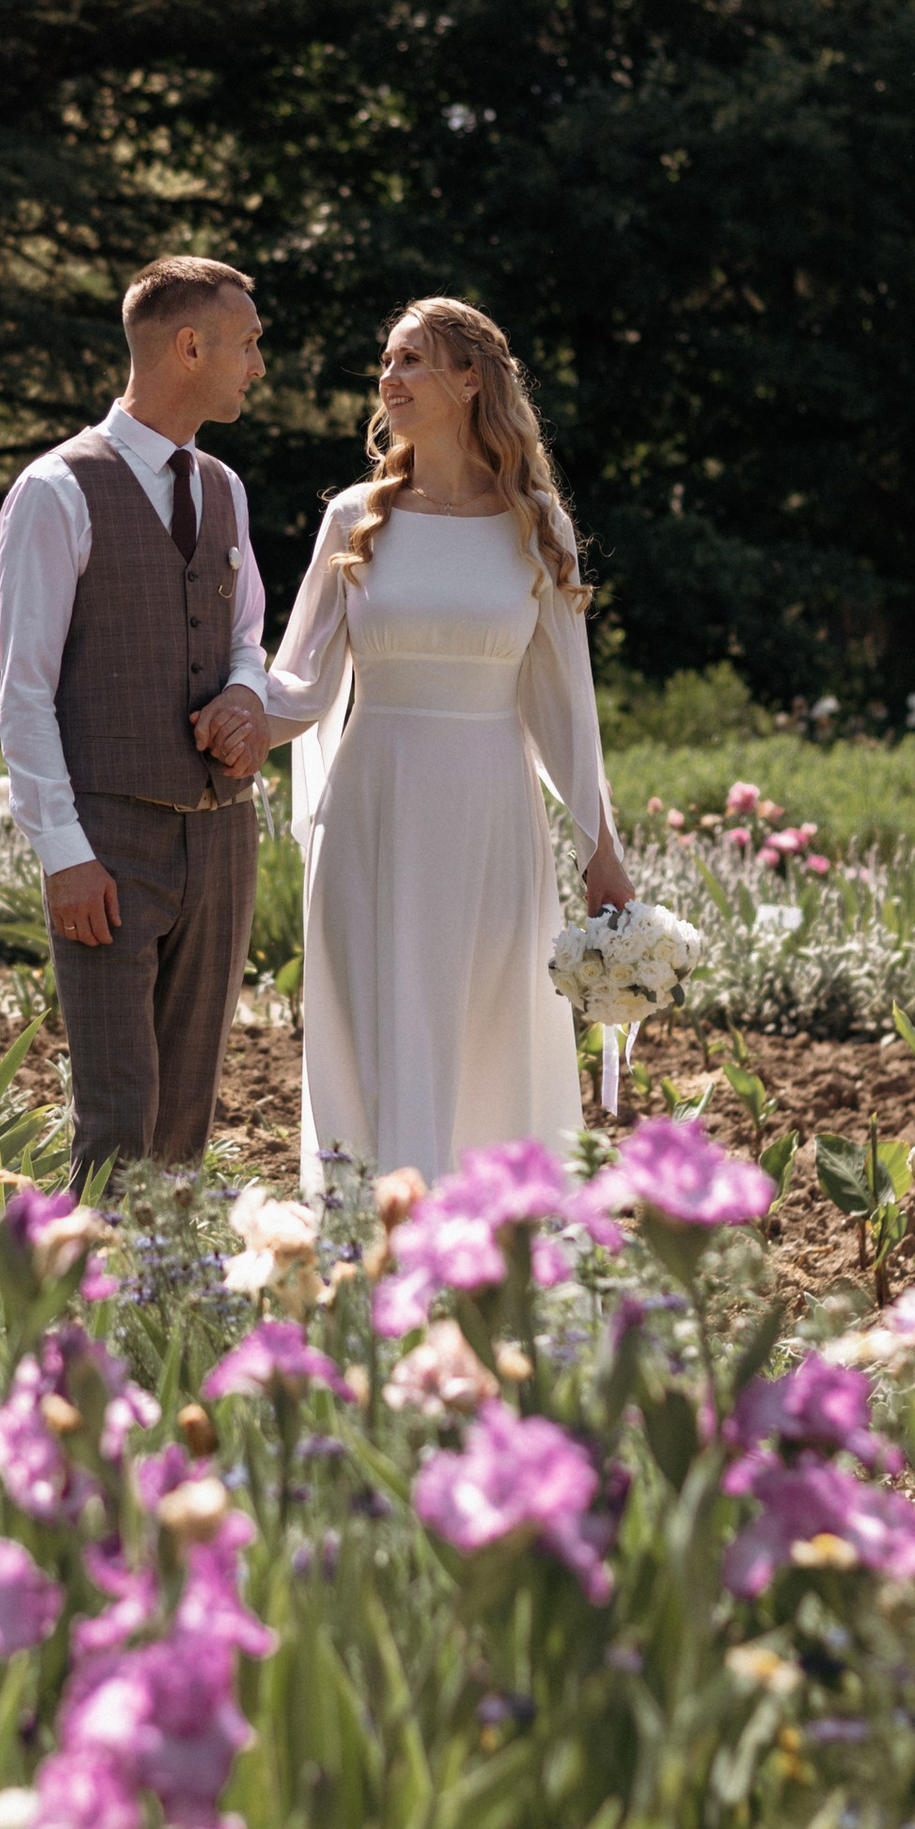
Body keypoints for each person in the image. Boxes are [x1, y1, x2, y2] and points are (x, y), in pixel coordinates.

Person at [265, 296, 633, 1193]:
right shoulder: (354, 517)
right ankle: (371, 1257)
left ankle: (490, 1260)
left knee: (490, 1029)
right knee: (376, 1028)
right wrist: (224, 707)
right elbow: (300, 681)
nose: (389, 380)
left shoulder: (534, 525)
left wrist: (602, 849)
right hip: (374, 806)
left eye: (412, 361)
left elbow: (562, 706)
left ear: (471, 380)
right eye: (386, 364)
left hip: (488, 812)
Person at [0, 256, 272, 1185]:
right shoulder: (56, 491)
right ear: (188, 347)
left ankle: (169, 1324)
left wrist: (245, 695)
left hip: (224, 840)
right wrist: (63, 855)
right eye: (247, 343)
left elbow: (247, 640)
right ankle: (80, 1325)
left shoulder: (226, 489)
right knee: (118, 1123)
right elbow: (24, 690)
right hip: (106, 848)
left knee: (186, 1126)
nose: (257, 365)